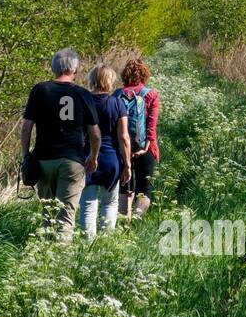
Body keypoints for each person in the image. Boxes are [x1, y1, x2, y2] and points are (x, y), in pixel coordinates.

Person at [21, 48, 100, 242]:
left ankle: (45, 256)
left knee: (48, 214)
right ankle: (61, 263)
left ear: (53, 68)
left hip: (44, 159)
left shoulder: (40, 90)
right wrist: (93, 157)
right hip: (72, 161)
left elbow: (26, 128)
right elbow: (95, 134)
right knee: (66, 215)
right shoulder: (82, 94)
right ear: (75, 69)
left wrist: (26, 155)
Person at [78, 64, 131, 238]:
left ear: (92, 80)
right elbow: (124, 137)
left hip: (86, 157)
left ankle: (87, 244)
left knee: (88, 204)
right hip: (111, 159)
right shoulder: (117, 104)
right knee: (110, 203)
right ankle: (106, 242)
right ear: (109, 81)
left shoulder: (82, 102)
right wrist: (127, 165)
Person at [116, 57, 160, 220]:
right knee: (145, 188)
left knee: (124, 186)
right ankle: (136, 220)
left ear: (125, 75)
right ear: (145, 74)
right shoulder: (151, 95)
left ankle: (122, 223)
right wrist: (147, 145)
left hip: (122, 147)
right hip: (145, 147)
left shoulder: (117, 94)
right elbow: (152, 124)